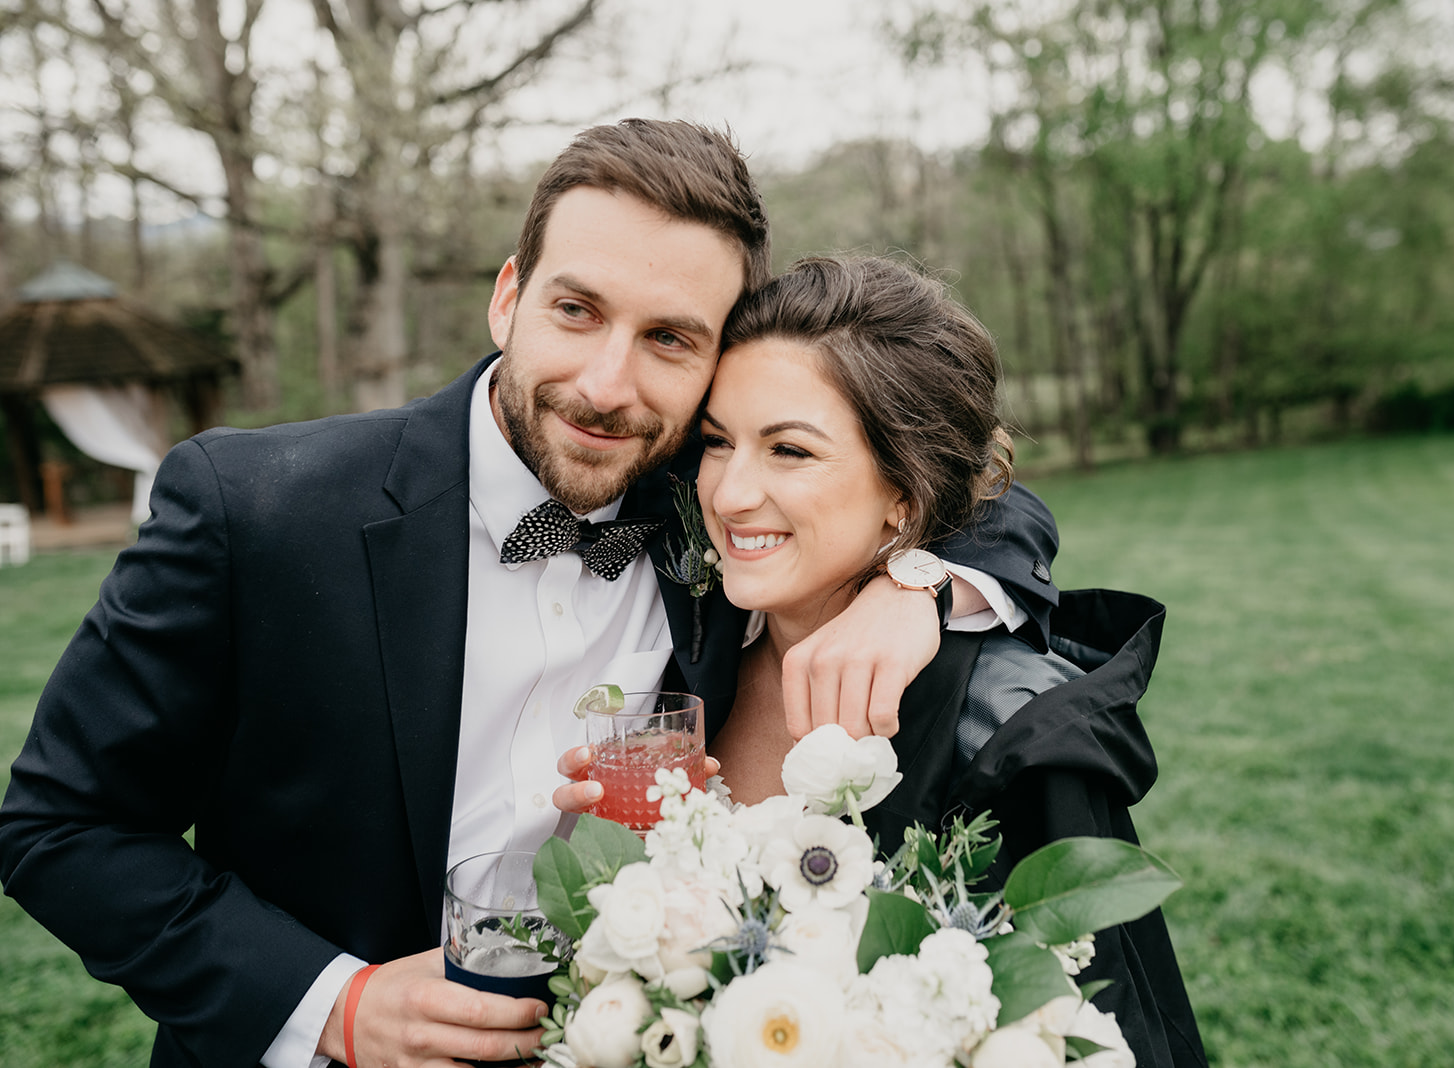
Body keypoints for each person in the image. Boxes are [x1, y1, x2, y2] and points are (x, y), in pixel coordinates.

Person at [0, 122, 1062, 1068]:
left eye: (669, 339)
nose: (607, 385)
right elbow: (60, 826)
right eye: (576, 309)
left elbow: (948, 467)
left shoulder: (715, 500)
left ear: (713, 367)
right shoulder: (257, 510)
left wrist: (921, 582)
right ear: (508, 296)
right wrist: (335, 1006)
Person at [558, 255, 1209, 1067]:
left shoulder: (1009, 732)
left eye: (790, 451)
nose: (726, 495)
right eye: (719, 442)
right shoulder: (691, 628)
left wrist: (922, 582)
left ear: (905, 492)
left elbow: (1117, 1035)